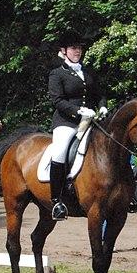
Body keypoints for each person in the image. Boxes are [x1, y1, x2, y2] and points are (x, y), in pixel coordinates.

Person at [47, 29, 107, 220]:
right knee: (60, 151)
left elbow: (100, 94)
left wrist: (103, 107)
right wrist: (78, 111)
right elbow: (57, 101)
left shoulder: (88, 72)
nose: (77, 51)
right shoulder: (57, 74)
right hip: (66, 122)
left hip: (90, 122)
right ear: (64, 51)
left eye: (79, 48)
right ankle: (57, 201)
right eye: (73, 48)